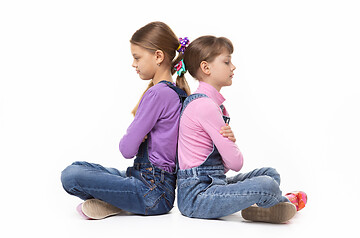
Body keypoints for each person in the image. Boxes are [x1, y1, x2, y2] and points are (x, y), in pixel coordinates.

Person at [61, 21, 190, 219]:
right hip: (152, 184)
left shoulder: (158, 94)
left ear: (158, 56)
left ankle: (119, 200)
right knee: (81, 166)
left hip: (152, 192)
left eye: (137, 57)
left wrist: (138, 133)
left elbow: (126, 149)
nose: (133, 64)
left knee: (71, 175)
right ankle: (117, 202)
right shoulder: (177, 93)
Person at [176, 35, 306, 223]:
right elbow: (236, 163)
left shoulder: (213, 105)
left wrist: (228, 145)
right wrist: (231, 142)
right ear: (206, 68)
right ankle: (284, 203)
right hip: (198, 197)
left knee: (270, 173)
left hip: (214, 182)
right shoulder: (205, 106)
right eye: (227, 62)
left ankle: (264, 206)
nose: (233, 67)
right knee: (266, 184)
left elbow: (226, 166)